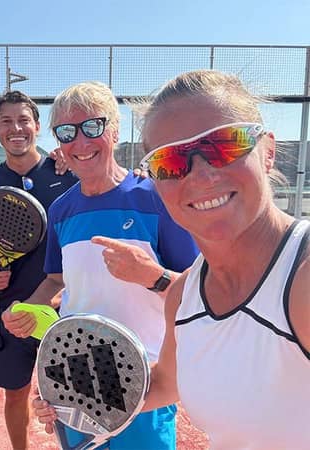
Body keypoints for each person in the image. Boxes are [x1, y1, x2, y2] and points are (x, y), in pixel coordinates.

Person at [35, 70, 310, 449]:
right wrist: (69, 394)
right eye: (171, 162)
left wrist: (151, 276)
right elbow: (165, 383)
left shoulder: (302, 275)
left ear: (268, 151)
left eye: (224, 144)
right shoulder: (190, 294)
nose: (200, 174)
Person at [3, 81, 199, 450]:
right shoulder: (61, 210)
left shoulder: (156, 198)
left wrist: (151, 275)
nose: (80, 143)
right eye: (66, 132)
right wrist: (29, 307)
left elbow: (198, 290)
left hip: (146, 382)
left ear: (115, 130)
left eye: (92, 126)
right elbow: (56, 280)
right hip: (76, 378)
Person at [0, 91, 78, 449]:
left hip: (64, 309)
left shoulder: (66, 172)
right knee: (15, 395)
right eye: (6, 121)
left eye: (23, 120)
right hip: (12, 310)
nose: (16, 128)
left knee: (72, 395)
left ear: (36, 126)